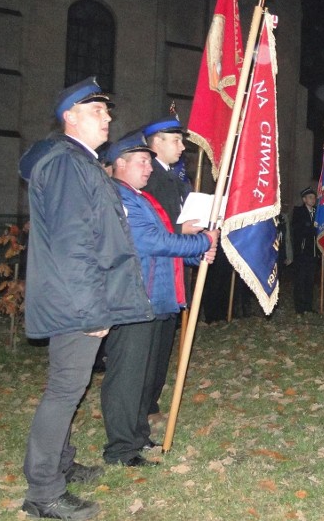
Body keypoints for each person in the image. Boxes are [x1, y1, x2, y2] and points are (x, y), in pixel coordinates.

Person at [17, 77, 153, 521]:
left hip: (77, 297)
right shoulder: (66, 164)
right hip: (75, 301)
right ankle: (43, 491)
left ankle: (60, 463)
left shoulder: (80, 162)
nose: (108, 117)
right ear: (69, 118)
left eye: (108, 111)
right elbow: (75, 242)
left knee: (70, 387)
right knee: (64, 389)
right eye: (97, 111)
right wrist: (93, 308)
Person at [104, 132, 217, 467]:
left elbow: (167, 243)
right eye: (142, 162)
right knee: (127, 376)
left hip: (156, 298)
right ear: (120, 163)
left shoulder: (142, 198)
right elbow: (151, 242)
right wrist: (200, 243)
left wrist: (198, 255)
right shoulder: (119, 197)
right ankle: (121, 449)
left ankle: (137, 437)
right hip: (134, 299)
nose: (149, 168)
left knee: (144, 375)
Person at [140, 116, 201, 422]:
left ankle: (151, 402)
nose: (181, 146)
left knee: (164, 342)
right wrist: (185, 230)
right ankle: (142, 405)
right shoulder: (150, 180)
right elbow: (156, 228)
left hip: (175, 273)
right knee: (149, 346)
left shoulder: (178, 180)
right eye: (175, 140)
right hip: (155, 276)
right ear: (157, 143)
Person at [291, 187, 319, 313]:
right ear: (304, 199)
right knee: (300, 280)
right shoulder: (298, 212)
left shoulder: (317, 212)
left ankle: (308, 305)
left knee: (310, 280)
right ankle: (299, 307)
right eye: (310, 197)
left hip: (313, 253)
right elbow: (298, 230)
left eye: (314, 197)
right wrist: (312, 228)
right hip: (302, 253)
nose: (313, 200)